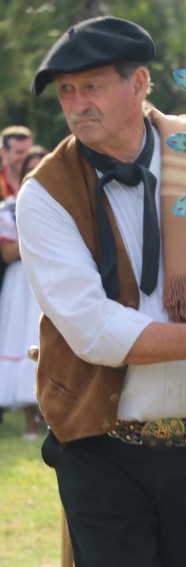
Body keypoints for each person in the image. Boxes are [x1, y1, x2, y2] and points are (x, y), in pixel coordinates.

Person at [16, 16, 186, 566]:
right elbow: (93, 330)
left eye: (92, 86)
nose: (77, 103)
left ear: (139, 84)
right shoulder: (46, 193)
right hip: (103, 454)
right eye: (67, 91)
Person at [0, 145, 47, 439]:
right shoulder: (10, 209)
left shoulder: (66, 202)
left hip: (49, 277)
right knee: (23, 341)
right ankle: (30, 423)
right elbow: (7, 253)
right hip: (22, 282)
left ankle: (51, 416)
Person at [0, 125, 34, 200]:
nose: (26, 157)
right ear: (4, 152)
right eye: (20, 152)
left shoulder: (40, 180)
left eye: (29, 152)